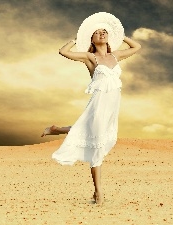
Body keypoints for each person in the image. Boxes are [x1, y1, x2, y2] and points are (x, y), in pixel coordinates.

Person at [41, 12, 141, 205]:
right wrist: (76, 38)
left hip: (113, 105)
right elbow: (64, 51)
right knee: (97, 144)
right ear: (92, 39)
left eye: (105, 32)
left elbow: (137, 46)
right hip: (99, 102)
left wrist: (120, 35)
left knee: (97, 136)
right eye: (97, 32)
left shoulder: (116, 55)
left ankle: (57, 129)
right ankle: (99, 193)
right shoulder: (89, 57)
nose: (102, 34)